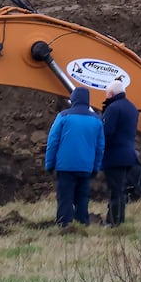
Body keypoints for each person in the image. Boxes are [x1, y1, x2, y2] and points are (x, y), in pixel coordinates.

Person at [44, 87, 104, 228]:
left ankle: (65, 225)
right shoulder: (97, 121)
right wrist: (96, 167)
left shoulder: (63, 116)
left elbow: (53, 142)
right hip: (86, 167)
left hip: (65, 166)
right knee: (82, 198)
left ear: (73, 99)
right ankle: (82, 223)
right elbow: (100, 147)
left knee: (65, 197)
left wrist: (49, 164)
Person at [101, 80, 139, 227]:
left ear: (110, 94)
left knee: (115, 190)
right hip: (129, 155)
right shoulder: (132, 108)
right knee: (120, 189)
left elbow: (107, 132)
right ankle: (118, 219)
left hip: (114, 156)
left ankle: (114, 222)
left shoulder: (113, 109)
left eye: (106, 94)